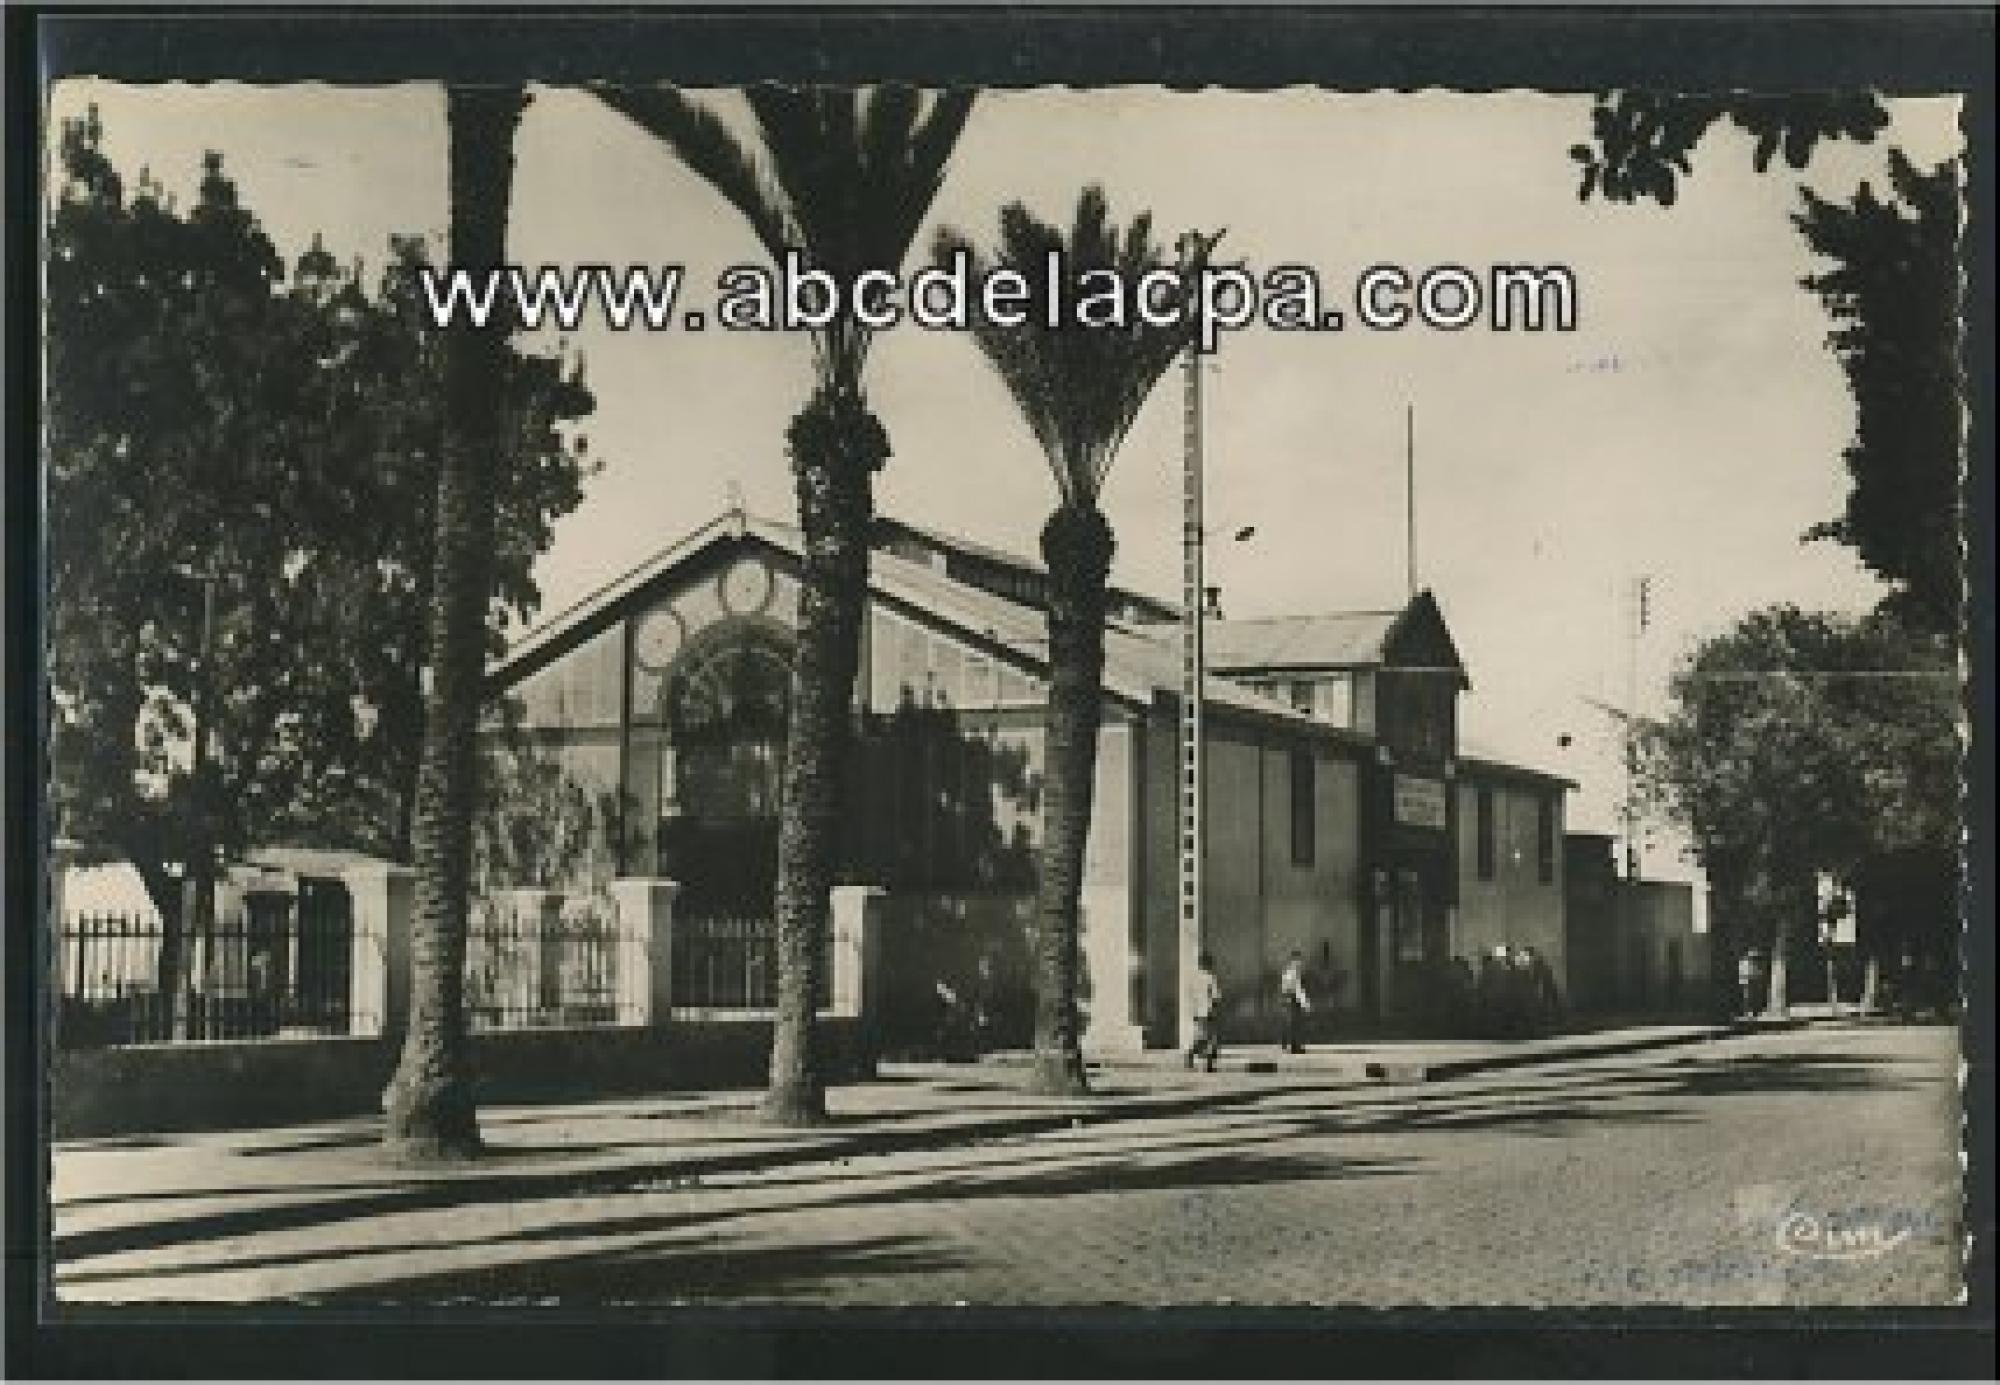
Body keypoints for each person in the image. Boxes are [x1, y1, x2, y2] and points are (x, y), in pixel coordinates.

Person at [1184, 952, 1223, 1073]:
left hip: (1197, 1012)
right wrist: (1215, 1007)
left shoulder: (1193, 978)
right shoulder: (1210, 978)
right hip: (1208, 1011)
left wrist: (1193, 1011)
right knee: (1211, 1039)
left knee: (1202, 1037)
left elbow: (1189, 996)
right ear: (1208, 963)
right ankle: (1208, 1064)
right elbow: (1216, 996)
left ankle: (1191, 1055)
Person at [1279, 949, 1311, 1054]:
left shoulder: (1289, 971)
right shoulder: (1293, 972)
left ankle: (1289, 1044)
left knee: (1292, 1023)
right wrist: (1305, 1002)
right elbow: (1297, 988)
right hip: (1292, 999)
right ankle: (1294, 1046)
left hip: (1290, 998)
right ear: (1294, 960)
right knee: (1295, 1023)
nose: (1300, 963)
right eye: (1298, 960)